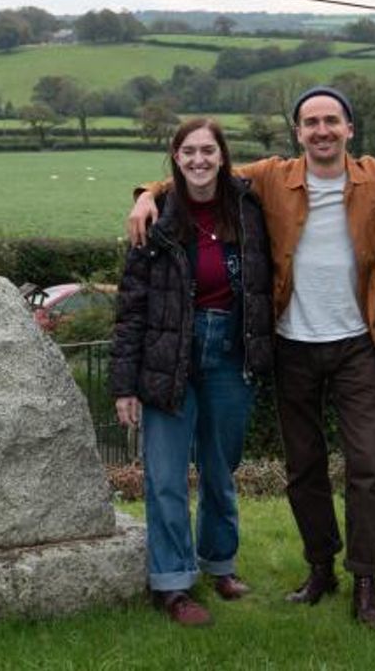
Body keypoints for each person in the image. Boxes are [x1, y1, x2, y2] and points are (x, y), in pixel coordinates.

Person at [129, 88, 375, 628]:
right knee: (301, 468)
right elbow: (197, 173)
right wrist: (145, 194)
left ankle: (365, 577)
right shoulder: (274, 177)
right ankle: (318, 568)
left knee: (366, 466)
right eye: (310, 123)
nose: (321, 130)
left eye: (331, 121)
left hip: (351, 346)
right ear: (297, 132)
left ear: (349, 127)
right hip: (291, 344)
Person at [111, 118, 274, 627]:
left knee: (221, 472)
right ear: (175, 159)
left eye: (209, 150)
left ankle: (220, 564)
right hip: (168, 358)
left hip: (230, 352)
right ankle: (173, 584)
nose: (199, 159)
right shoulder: (155, 219)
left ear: (223, 156)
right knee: (164, 478)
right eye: (189, 152)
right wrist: (124, 385)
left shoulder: (249, 208)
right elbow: (131, 306)